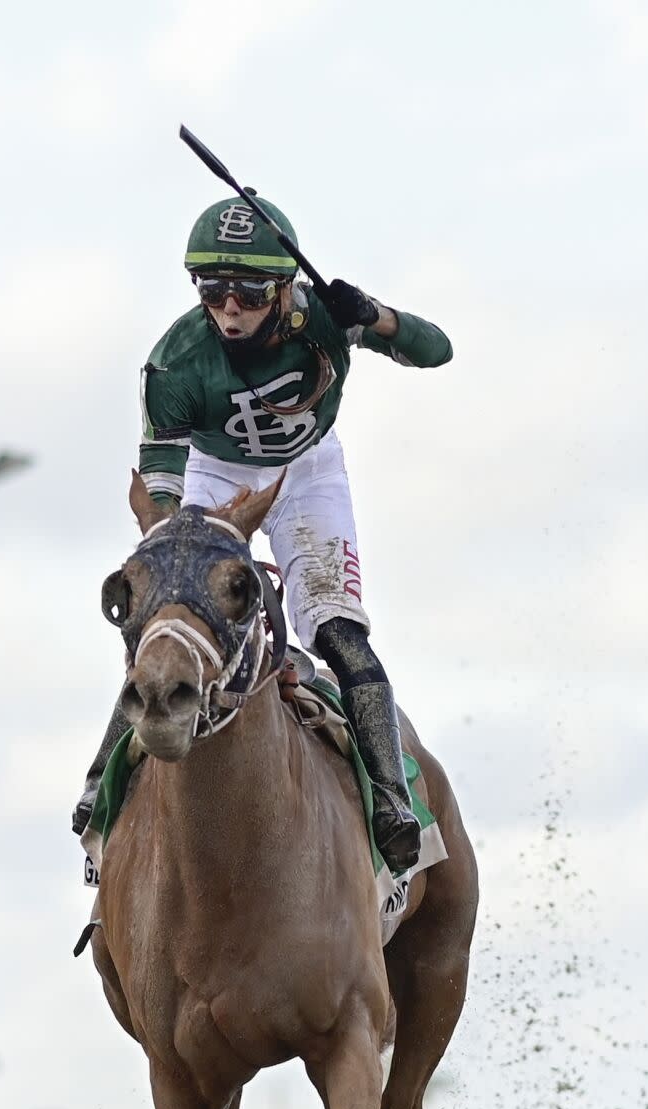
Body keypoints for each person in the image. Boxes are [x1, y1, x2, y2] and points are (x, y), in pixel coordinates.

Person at [72, 193, 453, 874]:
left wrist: (377, 319)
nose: (230, 308)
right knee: (170, 617)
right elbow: (162, 461)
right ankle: (102, 789)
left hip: (308, 476)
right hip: (215, 479)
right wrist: (168, 526)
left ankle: (394, 804)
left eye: (249, 290)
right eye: (213, 289)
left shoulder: (322, 321)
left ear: (283, 289)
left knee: (338, 633)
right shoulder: (176, 360)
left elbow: (437, 351)